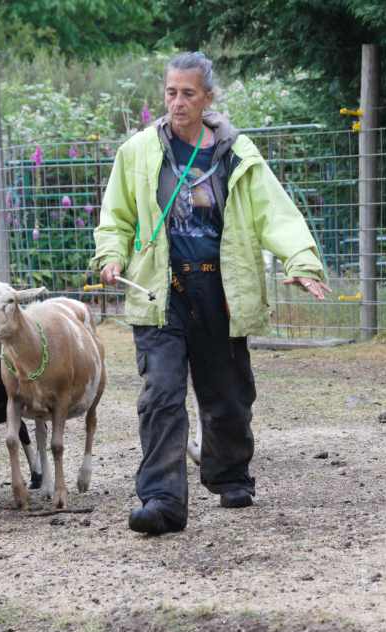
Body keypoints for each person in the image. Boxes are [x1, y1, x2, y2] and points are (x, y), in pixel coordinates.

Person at [91, 51, 330, 536]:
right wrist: (110, 256)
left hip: (221, 289)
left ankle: (229, 475)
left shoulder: (238, 153)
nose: (177, 102)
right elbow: (115, 217)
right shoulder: (137, 152)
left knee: (227, 394)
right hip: (160, 291)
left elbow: (275, 213)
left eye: (188, 93)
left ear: (208, 98)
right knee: (161, 394)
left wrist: (301, 262)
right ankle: (161, 500)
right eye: (170, 92)